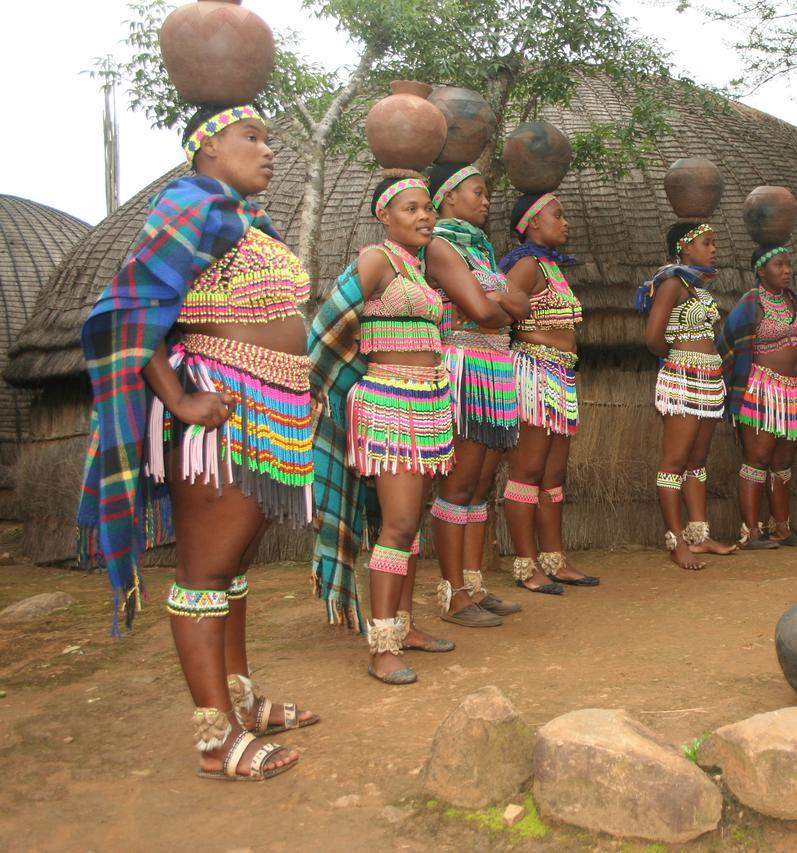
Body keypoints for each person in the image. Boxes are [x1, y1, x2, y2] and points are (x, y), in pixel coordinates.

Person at [79, 105, 316, 780]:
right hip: (216, 408)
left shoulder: (243, 221)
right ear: (206, 147)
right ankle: (215, 736)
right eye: (252, 137)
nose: (267, 150)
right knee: (205, 572)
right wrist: (179, 397)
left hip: (266, 403)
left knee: (234, 563)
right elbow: (123, 311)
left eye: (268, 137)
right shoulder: (187, 209)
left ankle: (239, 697)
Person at [311, 174, 490, 684]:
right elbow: (329, 322)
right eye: (410, 208)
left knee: (408, 527)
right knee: (397, 525)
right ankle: (382, 643)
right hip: (390, 402)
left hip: (429, 401)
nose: (425, 216)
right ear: (383, 216)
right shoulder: (377, 260)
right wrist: (313, 385)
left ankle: (406, 626)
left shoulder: (419, 268)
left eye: (428, 208)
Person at [427, 163, 536, 607]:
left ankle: (474, 584)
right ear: (448, 197)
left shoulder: (483, 252)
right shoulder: (439, 246)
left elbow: (523, 306)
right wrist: (494, 303)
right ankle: (453, 593)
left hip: (494, 367)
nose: (486, 199)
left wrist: (493, 301)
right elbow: (488, 310)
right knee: (458, 484)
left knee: (480, 483)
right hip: (464, 369)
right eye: (477, 191)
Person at [498, 192, 600, 587]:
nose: (565, 222)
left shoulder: (553, 268)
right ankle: (527, 565)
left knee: (554, 474)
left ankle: (555, 559)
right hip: (533, 373)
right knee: (528, 470)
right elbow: (497, 309)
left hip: (560, 375)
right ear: (533, 223)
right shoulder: (525, 265)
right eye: (557, 215)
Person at [637, 222, 738, 569]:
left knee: (698, 460)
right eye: (706, 243)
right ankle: (675, 541)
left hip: (710, 378)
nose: (713, 249)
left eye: (714, 243)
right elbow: (653, 337)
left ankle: (699, 536)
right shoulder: (671, 283)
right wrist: (679, 358)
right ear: (684, 247)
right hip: (683, 377)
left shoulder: (698, 287)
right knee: (675, 462)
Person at [720, 243, 797, 547]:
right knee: (757, 458)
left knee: (784, 460)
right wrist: (739, 383)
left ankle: (782, 529)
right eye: (779, 266)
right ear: (761, 270)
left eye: (789, 265)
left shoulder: (793, 300)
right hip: (762, 390)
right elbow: (728, 342)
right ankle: (751, 532)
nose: (787, 271)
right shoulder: (751, 303)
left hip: (794, 389)